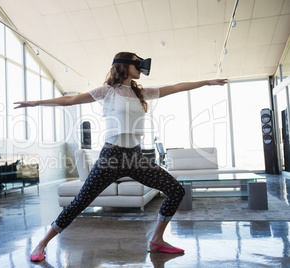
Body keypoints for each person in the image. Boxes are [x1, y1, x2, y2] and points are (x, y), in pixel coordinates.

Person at [14, 52, 228, 261]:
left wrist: (206, 82)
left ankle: (157, 239)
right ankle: (42, 243)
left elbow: (175, 87)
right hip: (111, 156)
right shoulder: (107, 91)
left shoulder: (140, 93)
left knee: (176, 190)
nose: (142, 67)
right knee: (80, 202)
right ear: (124, 66)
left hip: (135, 156)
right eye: (137, 63)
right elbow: (71, 99)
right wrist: (35, 103)